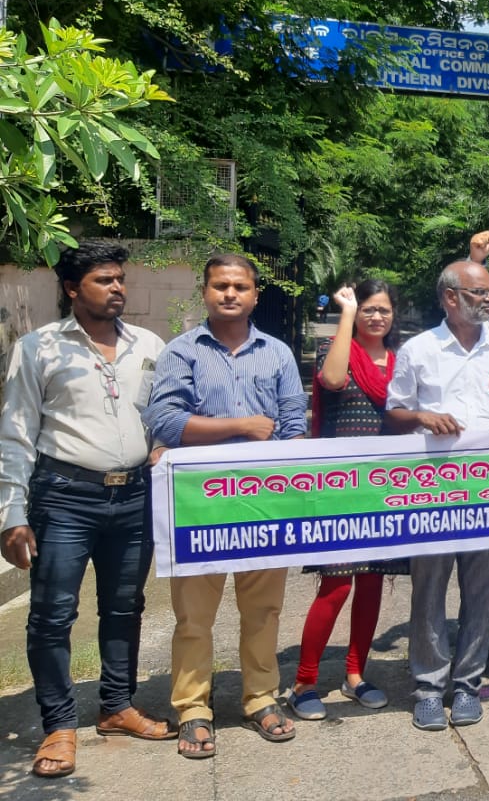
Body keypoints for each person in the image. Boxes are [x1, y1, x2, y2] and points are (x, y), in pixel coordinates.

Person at [0, 242, 175, 779]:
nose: (118, 287)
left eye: (120, 278)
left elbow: (165, 413)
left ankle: (117, 706)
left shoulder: (149, 344)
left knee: (125, 607)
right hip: (64, 497)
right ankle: (59, 725)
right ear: (73, 289)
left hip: (134, 496)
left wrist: (162, 445)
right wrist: (11, 512)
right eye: (105, 280)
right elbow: (16, 432)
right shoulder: (39, 348)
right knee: (52, 614)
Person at [144, 253, 308, 759]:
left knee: (263, 610)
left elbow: (293, 424)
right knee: (194, 616)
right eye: (221, 286)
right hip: (201, 503)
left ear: (256, 295)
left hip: (265, 502)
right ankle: (193, 707)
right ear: (206, 293)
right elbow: (165, 421)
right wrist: (240, 427)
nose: (230, 294)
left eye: (240, 286)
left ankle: (260, 698)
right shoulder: (182, 351)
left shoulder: (277, 354)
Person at [384, 260, 489, 730]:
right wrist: (422, 417)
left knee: (482, 590)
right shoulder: (419, 349)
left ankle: (467, 684)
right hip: (433, 492)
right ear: (450, 297)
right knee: (429, 589)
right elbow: (395, 413)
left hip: (488, 489)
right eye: (479, 293)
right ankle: (428, 686)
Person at [287, 280, 406, 722]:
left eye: (383, 310)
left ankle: (355, 675)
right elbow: (333, 380)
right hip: (340, 487)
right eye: (369, 309)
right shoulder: (335, 349)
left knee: (372, 583)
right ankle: (304, 682)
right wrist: (347, 313)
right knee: (335, 586)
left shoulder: (400, 361)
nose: (377, 317)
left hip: (385, 488)